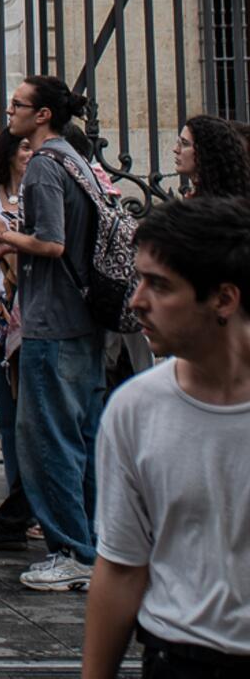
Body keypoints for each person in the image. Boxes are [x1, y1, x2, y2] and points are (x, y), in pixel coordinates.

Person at [82, 194, 250, 679]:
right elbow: (119, 567)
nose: (136, 301)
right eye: (139, 280)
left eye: (159, 285)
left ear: (223, 298)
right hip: (178, 656)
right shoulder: (136, 409)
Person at [0, 74, 107, 595]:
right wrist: (8, 246)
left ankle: (70, 550)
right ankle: (90, 545)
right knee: (83, 439)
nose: (10, 113)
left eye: (18, 105)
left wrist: (5, 234)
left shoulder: (46, 167)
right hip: (82, 320)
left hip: (51, 321)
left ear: (43, 115)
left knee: (47, 441)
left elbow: (51, 244)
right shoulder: (77, 159)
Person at [0, 128, 33, 542]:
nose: (30, 153)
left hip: (28, 313)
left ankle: (28, 504)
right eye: (25, 146)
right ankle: (19, 494)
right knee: (8, 415)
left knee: (33, 415)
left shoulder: (41, 191)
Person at [174, 113, 250, 199]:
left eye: (185, 143)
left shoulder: (223, 205)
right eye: (178, 142)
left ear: (205, 151)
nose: (175, 149)